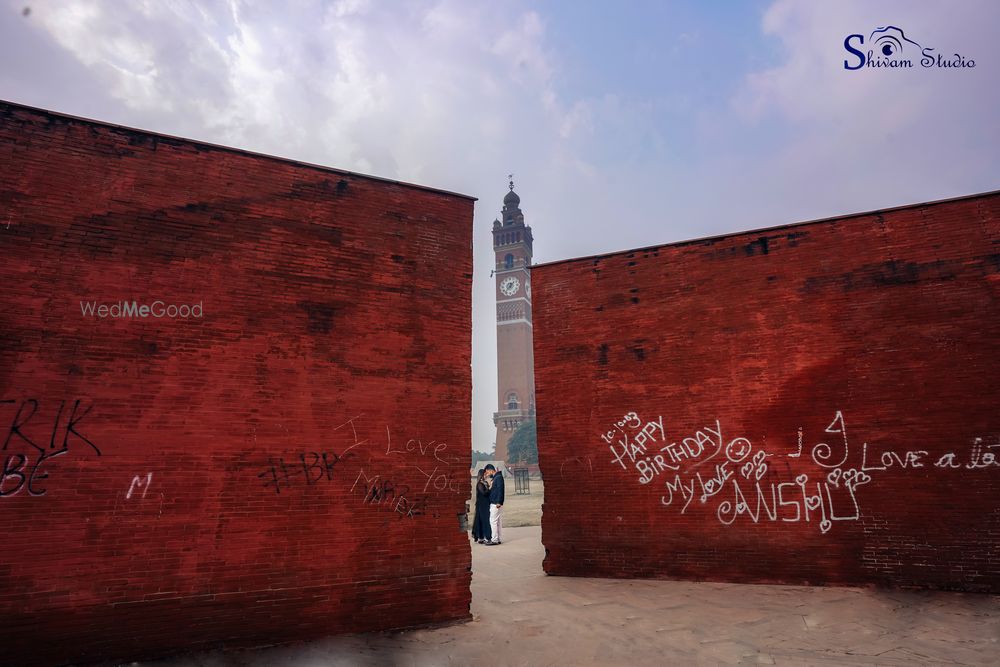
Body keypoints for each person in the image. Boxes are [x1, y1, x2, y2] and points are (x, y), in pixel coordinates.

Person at [484, 463, 505, 545]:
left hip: (496, 503)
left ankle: (495, 540)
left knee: (493, 521)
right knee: (498, 522)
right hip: (496, 502)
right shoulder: (496, 478)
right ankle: (498, 539)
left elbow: (501, 490)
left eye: (487, 472)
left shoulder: (498, 477)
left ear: (490, 470)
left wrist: (499, 502)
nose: (487, 474)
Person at [472, 468, 493, 544]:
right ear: (482, 475)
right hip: (481, 505)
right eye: (485, 473)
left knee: (481, 520)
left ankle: (481, 538)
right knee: (484, 521)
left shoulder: (485, 483)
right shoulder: (480, 484)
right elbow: (484, 493)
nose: (486, 475)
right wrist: (490, 488)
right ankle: (487, 538)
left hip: (485, 504)